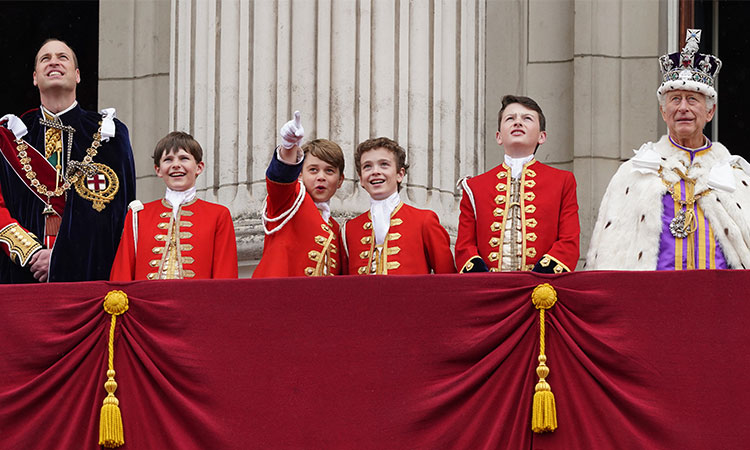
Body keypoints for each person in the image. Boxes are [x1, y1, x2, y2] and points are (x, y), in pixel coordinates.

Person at [586, 29, 750, 270]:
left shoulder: (736, 176)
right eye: (675, 99)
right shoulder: (633, 174)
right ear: (664, 112)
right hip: (654, 299)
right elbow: (610, 256)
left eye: (692, 99)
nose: (683, 107)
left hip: (720, 300)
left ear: (710, 112)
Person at [0, 38, 135, 283]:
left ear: (77, 75)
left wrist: (62, 258)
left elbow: (114, 216)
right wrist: (31, 252)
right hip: (22, 276)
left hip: (88, 277)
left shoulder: (109, 134)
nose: (54, 62)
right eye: (45, 58)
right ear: (34, 77)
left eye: (63, 57)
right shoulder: (9, 137)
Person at [455, 95, 580, 273]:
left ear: (542, 136)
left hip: (542, 289)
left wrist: (538, 279)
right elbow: (464, 246)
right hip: (488, 290)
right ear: (498, 137)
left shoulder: (562, 181)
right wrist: (482, 280)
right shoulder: (474, 187)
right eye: (510, 118)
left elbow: (569, 241)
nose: (518, 123)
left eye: (527, 118)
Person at [110, 131, 237, 280]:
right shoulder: (138, 215)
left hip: (196, 302)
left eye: (184, 158)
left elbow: (225, 272)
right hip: (147, 302)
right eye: (168, 160)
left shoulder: (218, 215)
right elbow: (122, 270)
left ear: (199, 167)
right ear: (158, 170)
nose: (176, 165)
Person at [343, 137, 456, 275]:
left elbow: (447, 277)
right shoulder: (349, 229)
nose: (375, 171)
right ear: (361, 179)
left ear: (400, 174)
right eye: (367, 166)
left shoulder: (424, 220)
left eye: (384, 164)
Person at [253, 111, 346, 277]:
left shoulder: (337, 229)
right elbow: (280, 178)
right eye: (313, 170)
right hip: (276, 299)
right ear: (300, 174)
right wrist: (288, 148)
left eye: (329, 171)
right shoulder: (289, 200)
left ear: (340, 180)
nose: (321, 177)